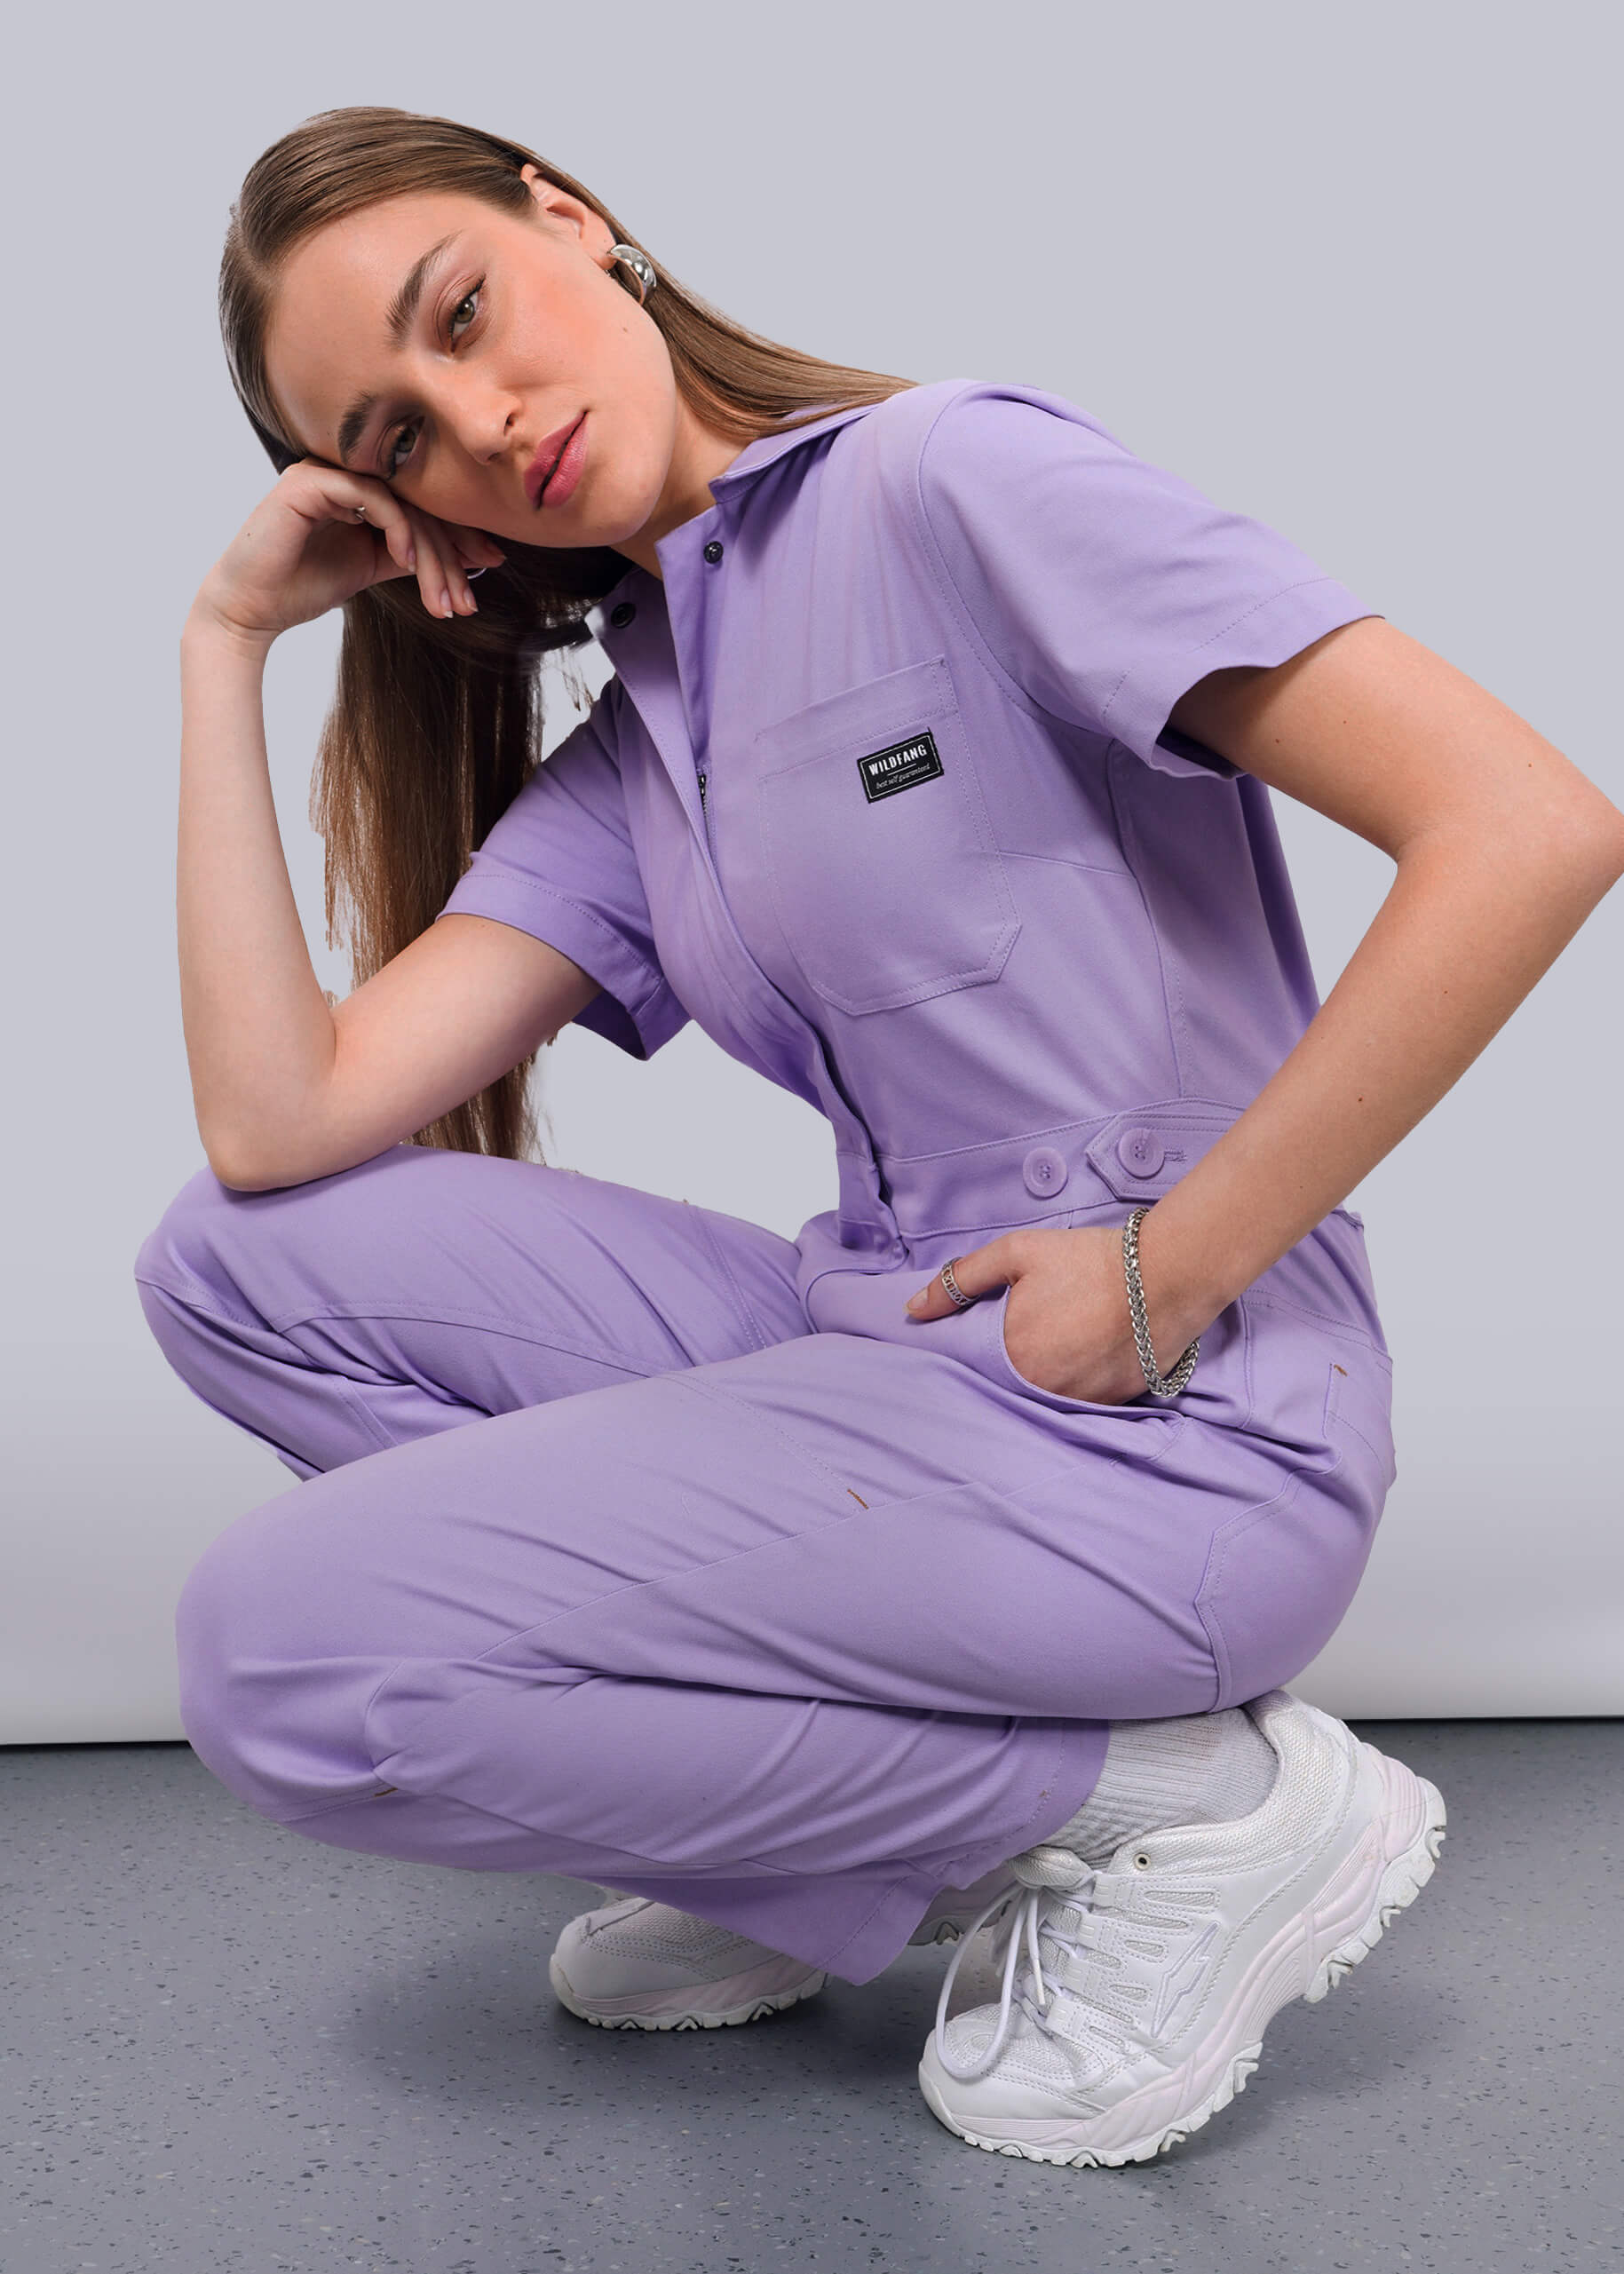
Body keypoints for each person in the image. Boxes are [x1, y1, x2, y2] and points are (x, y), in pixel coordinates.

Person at [133, 103, 1624, 2168]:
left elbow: (1528, 827)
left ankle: (1170, 1808)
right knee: (231, 1265)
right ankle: (833, 1814)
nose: (479, 419)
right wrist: (222, 645)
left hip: (1164, 1428)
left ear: (571, 219)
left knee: (282, 1657)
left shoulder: (955, 483)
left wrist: (1159, 1273)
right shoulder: (648, 734)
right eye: (395, 438)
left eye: (463, 314)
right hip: (902, 1367)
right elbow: (278, 1122)